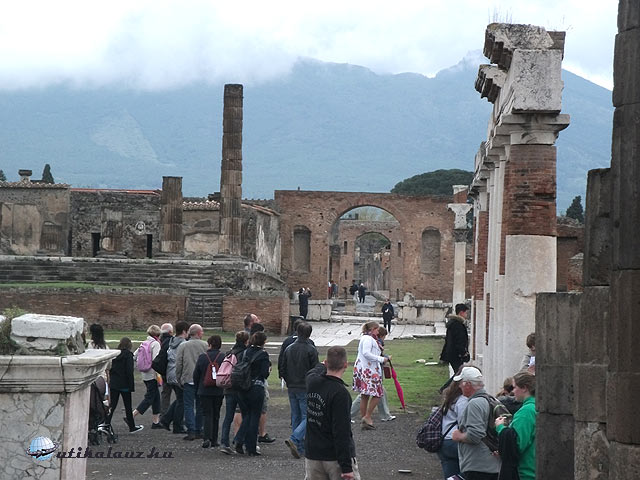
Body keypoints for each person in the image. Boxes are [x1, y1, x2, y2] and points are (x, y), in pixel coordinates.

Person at [305, 346, 360, 480]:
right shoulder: (340, 393)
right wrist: (346, 467)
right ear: (345, 365)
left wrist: (322, 365)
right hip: (333, 457)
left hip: (313, 454)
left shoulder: (312, 382)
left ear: (326, 363)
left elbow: (311, 372)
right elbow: (341, 431)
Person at [451, 366, 501, 480]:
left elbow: (475, 435)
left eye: (461, 383)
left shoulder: (475, 404)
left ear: (468, 384)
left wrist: (459, 436)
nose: (459, 386)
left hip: (479, 466)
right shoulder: (491, 399)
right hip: (491, 464)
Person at [281, 321, 319, 458]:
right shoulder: (311, 349)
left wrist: (288, 380)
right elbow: (315, 370)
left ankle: (300, 447)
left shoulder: (289, 348)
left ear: (297, 332)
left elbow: (283, 367)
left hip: (292, 385)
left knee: (296, 415)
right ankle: (295, 438)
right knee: (307, 416)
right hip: (305, 386)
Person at [235, 331, 271, 456]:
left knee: (247, 416)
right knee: (254, 417)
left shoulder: (245, 352)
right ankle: (250, 446)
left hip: (243, 387)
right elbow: (264, 373)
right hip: (256, 387)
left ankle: (240, 440)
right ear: (263, 342)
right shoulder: (263, 354)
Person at [495, 371, 536, 480]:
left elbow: (516, 444)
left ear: (524, 388)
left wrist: (500, 428)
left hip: (524, 472)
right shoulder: (535, 407)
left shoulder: (526, 412)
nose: (513, 392)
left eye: (514, 387)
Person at [350, 326, 395, 422]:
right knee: (373, 394)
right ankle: (364, 416)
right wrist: (383, 359)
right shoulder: (371, 340)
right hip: (371, 371)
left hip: (370, 370)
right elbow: (368, 354)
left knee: (370, 394)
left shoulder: (370, 339)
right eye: (377, 330)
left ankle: (379, 416)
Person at [176, 323, 208, 440]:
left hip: (188, 378)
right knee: (200, 405)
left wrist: (179, 377)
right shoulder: (205, 345)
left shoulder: (183, 346)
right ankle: (199, 429)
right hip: (201, 379)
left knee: (188, 405)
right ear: (199, 333)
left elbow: (179, 363)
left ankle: (191, 430)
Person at [219, 330, 249, 455]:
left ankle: (224, 442)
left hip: (228, 387)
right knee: (247, 415)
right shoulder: (244, 353)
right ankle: (240, 440)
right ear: (246, 341)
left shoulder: (229, 353)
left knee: (228, 416)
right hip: (239, 388)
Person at [193, 335, 225, 448]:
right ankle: (214, 439)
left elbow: (196, 374)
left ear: (209, 344)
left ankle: (206, 437)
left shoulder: (202, 357)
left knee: (207, 414)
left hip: (204, 389)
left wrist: (198, 387)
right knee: (216, 414)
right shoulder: (223, 357)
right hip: (218, 389)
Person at [106, 337, 143, 433]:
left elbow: (110, 368)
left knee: (112, 405)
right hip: (125, 384)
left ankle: (106, 423)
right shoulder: (128, 355)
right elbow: (129, 371)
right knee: (128, 406)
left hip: (115, 383)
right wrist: (131, 385)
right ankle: (132, 426)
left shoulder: (115, 354)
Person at [437, 375, 469, 479]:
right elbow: (464, 423)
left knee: (450, 474)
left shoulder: (450, 397)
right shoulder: (463, 400)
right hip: (455, 441)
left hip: (444, 440)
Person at [159, 321, 188, 434]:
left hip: (170, 372)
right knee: (182, 400)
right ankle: (177, 425)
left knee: (180, 399)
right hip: (177, 374)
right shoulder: (183, 344)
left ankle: (166, 420)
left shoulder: (172, 341)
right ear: (184, 331)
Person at [132, 325, 162, 427]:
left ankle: (156, 421)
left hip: (144, 373)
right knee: (149, 397)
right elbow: (156, 359)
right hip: (153, 374)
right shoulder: (156, 344)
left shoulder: (144, 343)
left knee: (156, 397)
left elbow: (135, 355)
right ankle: (132, 415)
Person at [439, 304, 470, 392]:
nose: (466, 315)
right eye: (466, 313)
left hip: (452, 353)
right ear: (461, 313)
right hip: (456, 354)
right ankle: (445, 389)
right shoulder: (458, 325)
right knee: (459, 374)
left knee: (459, 373)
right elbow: (459, 341)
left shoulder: (453, 324)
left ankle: (449, 390)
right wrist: (463, 353)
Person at [159, 322, 174, 416]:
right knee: (181, 395)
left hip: (163, 371)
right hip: (171, 370)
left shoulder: (159, 341)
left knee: (165, 393)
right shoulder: (171, 341)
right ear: (170, 332)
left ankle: (164, 414)